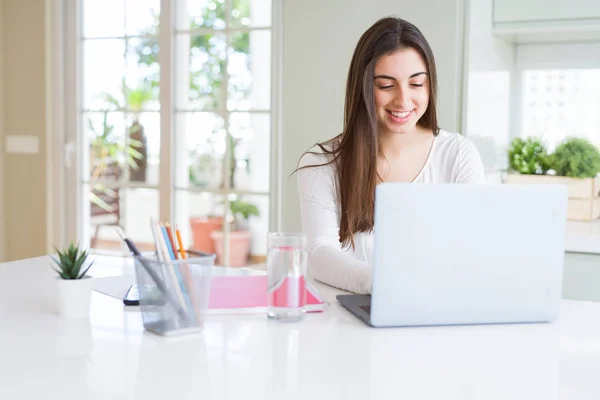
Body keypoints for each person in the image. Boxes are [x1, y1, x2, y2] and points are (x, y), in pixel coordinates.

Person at [296, 17, 485, 294]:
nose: (403, 100)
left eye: (416, 84)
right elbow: (319, 254)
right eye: (386, 85)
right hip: (345, 324)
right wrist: (384, 282)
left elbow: (472, 249)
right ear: (363, 88)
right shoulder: (321, 163)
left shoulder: (458, 155)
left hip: (436, 314)